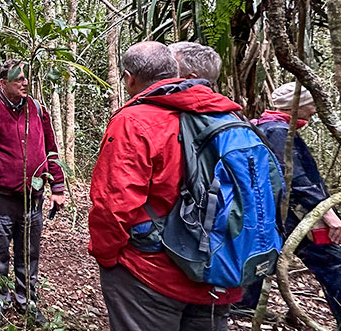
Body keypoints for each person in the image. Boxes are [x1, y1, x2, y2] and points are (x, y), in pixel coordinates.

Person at [89, 41, 244, 331]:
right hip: (220, 271)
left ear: (129, 78)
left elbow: (113, 204)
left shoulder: (135, 121)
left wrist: (107, 256)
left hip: (152, 274)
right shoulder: (230, 118)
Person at [0, 59, 66, 324]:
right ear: (3, 83)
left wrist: (57, 186)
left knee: (28, 255)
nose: (24, 83)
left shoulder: (37, 109)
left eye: (26, 78)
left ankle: (26, 302)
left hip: (32, 200)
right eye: (18, 79)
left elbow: (50, 149)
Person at [234, 83, 341, 327]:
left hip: (275, 214)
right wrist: (330, 216)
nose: (315, 110)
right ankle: (245, 308)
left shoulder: (269, 126)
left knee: (265, 254)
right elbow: (298, 181)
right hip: (290, 215)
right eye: (311, 104)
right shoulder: (279, 131)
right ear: (296, 105)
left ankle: (245, 306)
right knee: (333, 264)